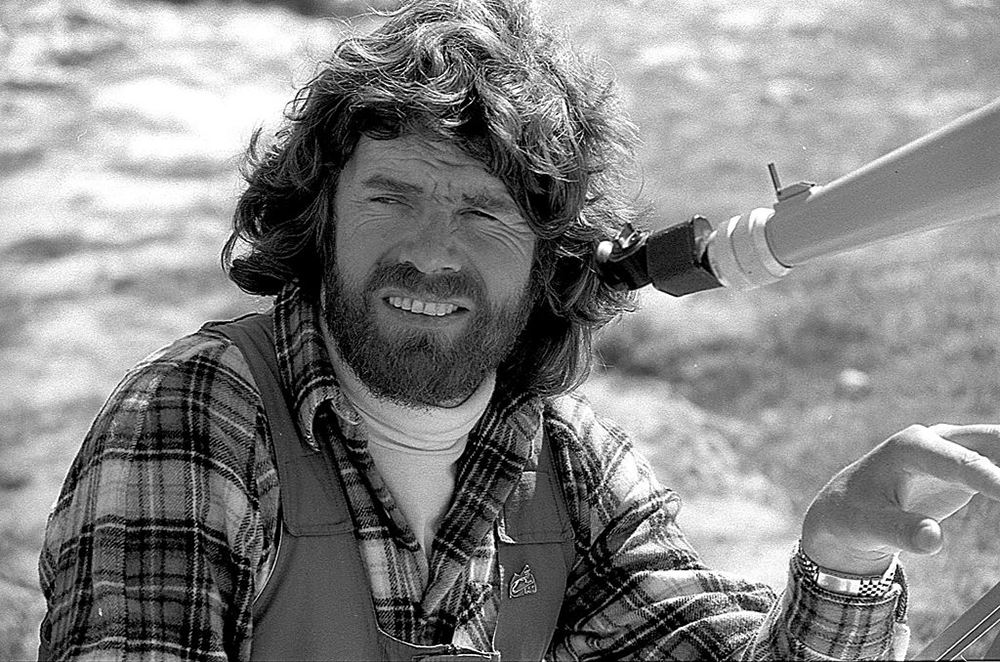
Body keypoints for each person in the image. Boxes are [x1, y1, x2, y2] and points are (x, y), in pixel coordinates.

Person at [37, 0, 1000, 659]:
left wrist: (842, 556)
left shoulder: (573, 467)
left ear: (552, 256)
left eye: (483, 212)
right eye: (391, 196)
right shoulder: (195, 418)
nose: (432, 251)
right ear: (319, 216)